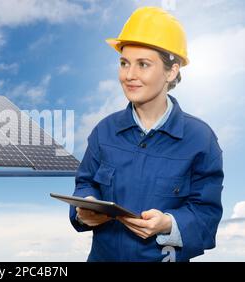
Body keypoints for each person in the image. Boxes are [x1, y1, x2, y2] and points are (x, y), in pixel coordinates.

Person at [69, 7, 224, 262]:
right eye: (124, 63)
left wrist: (169, 224)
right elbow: (86, 183)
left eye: (143, 64)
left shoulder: (201, 139)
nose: (129, 75)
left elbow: (207, 214)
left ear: (171, 71)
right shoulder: (104, 131)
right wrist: (84, 207)